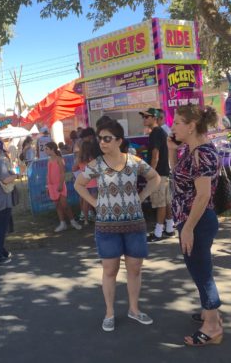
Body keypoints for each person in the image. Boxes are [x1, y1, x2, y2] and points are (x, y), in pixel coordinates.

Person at [74, 119, 161, 332]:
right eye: (100, 138)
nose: (102, 142)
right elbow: (79, 184)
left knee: (135, 268)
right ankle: (110, 312)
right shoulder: (97, 164)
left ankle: (134, 309)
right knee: (110, 269)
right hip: (107, 226)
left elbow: (155, 178)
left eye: (107, 138)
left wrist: (141, 197)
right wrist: (96, 203)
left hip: (134, 224)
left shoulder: (134, 161)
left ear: (119, 140)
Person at [168, 104, 223, 346]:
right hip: (190, 220)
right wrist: (171, 150)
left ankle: (212, 325)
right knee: (199, 268)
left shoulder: (202, 154)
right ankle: (209, 312)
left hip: (197, 221)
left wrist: (188, 228)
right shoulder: (191, 151)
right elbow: (178, 176)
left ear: (191, 126)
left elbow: (202, 196)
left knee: (201, 271)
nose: (173, 127)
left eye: (177, 122)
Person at [140, 108, 175, 242]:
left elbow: (155, 155)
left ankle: (158, 232)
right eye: (143, 117)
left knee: (160, 203)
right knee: (166, 201)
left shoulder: (155, 132)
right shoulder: (159, 132)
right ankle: (170, 228)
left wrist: (151, 174)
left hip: (159, 173)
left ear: (154, 118)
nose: (144, 119)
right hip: (164, 172)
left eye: (147, 117)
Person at [45, 141, 82, 232]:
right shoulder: (49, 160)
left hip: (60, 185)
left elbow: (62, 173)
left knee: (65, 205)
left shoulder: (59, 159)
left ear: (52, 149)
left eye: (47, 149)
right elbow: (48, 174)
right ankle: (62, 223)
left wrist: (61, 184)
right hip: (51, 186)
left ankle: (73, 222)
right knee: (57, 205)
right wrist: (47, 187)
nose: (45, 151)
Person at [73, 141, 97, 225]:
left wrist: (81, 169)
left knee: (85, 203)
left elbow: (74, 169)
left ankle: (86, 220)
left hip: (84, 183)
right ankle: (100, 218)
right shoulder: (92, 158)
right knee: (95, 202)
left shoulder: (79, 158)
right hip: (93, 182)